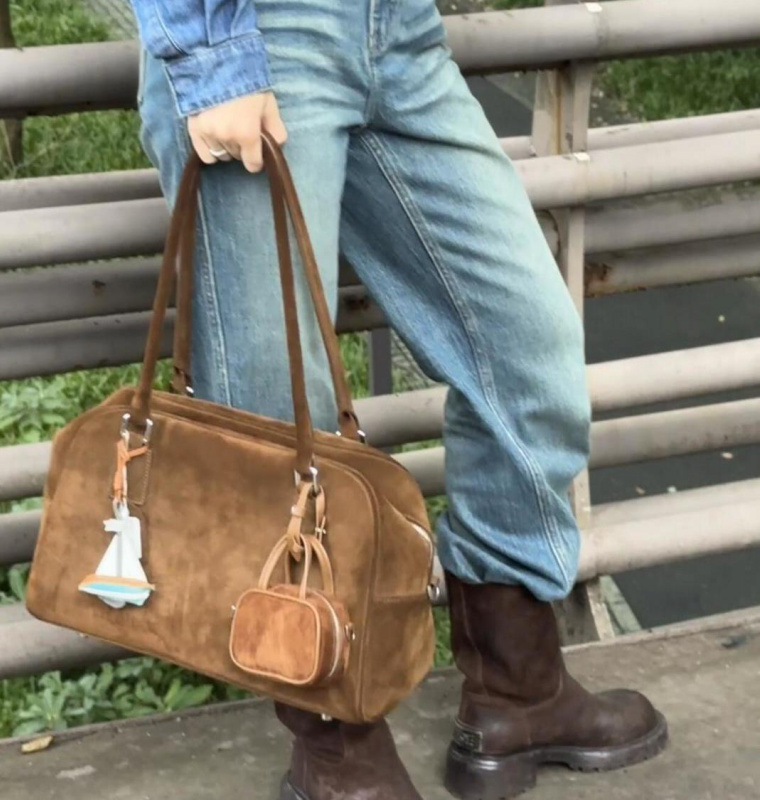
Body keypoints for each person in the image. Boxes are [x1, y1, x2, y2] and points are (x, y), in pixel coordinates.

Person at [129, 1, 668, 798]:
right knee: (279, 414)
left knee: (526, 344)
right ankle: (335, 747)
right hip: (254, 36)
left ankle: (518, 692)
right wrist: (209, 53)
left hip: (398, 31)